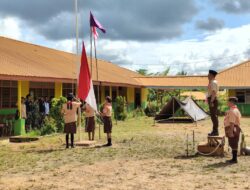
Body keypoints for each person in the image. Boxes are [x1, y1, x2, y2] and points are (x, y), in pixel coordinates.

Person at [224, 97, 241, 164]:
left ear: (231, 102)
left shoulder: (232, 111)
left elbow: (232, 122)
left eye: (228, 101)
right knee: (233, 143)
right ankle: (234, 158)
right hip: (235, 128)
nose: (227, 103)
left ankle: (234, 159)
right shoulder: (235, 109)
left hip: (233, 128)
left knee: (233, 143)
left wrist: (231, 131)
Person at [207, 69, 219, 136]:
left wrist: (211, 101)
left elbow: (214, 92)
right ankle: (215, 130)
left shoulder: (213, 82)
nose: (207, 75)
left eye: (209, 74)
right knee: (213, 116)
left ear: (211, 75)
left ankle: (215, 131)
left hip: (213, 99)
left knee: (213, 116)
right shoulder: (212, 82)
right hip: (212, 99)